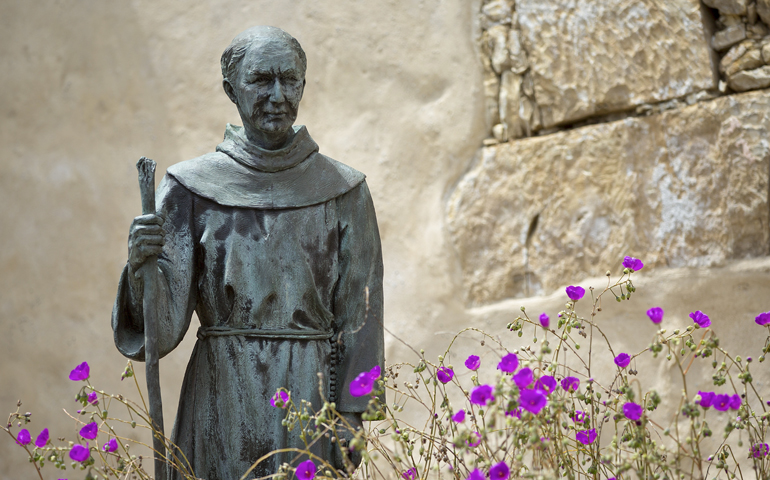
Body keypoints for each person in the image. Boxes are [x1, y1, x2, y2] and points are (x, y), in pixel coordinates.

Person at [112, 26, 384, 480]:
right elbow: (161, 325)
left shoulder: (344, 190)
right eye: (261, 80)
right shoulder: (189, 188)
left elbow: (361, 312)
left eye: (289, 79)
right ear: (230, 89)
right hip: (222, 392)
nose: (277, 94)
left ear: (303, 84)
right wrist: (141, 269)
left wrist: (352, 415)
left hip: (309, 392)